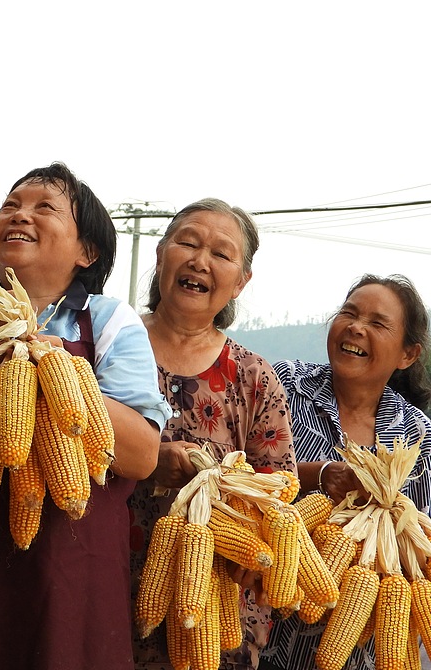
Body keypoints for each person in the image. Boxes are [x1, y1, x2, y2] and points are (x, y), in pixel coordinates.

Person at [0, 162, 173, 670]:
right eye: (12, 205)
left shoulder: (108, 321)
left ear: (87, 251)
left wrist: (59, 370)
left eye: (45, 207)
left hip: (73, 564)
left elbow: (143, 454)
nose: (20, 215)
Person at [128, 198, 297, 670]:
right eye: (187, 242)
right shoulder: (108, 344)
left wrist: (256, 541)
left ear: (241, 282)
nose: (200, 261)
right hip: (104, 585)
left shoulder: (254, 378)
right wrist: (148, 459)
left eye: (221, 254)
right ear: (161, 254)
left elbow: (277, 492)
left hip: (214, 612)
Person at [258, 274, 431, 670]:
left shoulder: (417, 435)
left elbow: (416, 545)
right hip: (258, 630)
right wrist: (315, 476)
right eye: (349, 313)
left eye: (377, 323)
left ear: (408, 354)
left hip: (356, 652)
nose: (356, 327)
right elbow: (237, 471)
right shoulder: (282, 385)